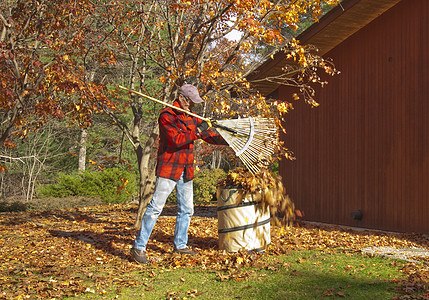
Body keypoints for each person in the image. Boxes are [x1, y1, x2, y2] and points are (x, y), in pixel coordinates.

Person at [131, 84, 227, 264]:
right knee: (155, 208)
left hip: (186, 168)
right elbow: (177, 140)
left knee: (187, 209)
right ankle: (139, 246)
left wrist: (227, 138)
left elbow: (208, 135)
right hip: (169, 168)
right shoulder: (167, 115)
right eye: (190, 102)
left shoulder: (191, 116)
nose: (192, 106)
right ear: (182, 98)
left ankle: (180, 245)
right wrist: (199, 130)